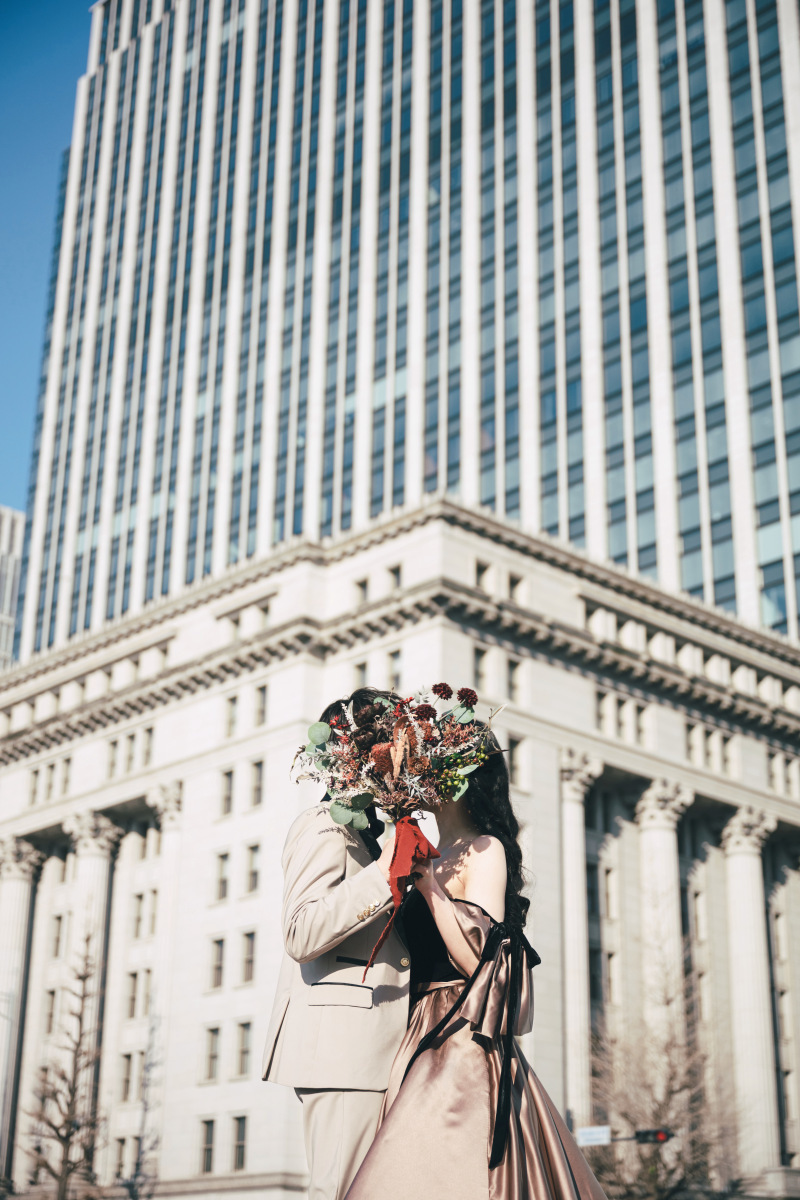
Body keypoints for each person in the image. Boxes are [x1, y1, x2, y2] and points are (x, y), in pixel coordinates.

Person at [345, 723, 608, 1200]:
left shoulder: (486, 850)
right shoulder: (428, 849)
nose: (419, 776)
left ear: (461, 780)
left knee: (435, 1163)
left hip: (459, 1033)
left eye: (431, 766)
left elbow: (479, 962)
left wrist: (430, 890)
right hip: (413, 1027)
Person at [261, 688, 416, 1200]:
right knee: (342, 1192)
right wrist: (384, 872)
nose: (405, 756)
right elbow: (301, 932)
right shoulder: (322, 825)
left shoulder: (379, 829)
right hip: (342, 1049)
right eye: (394, 743)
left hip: (379, 1046)